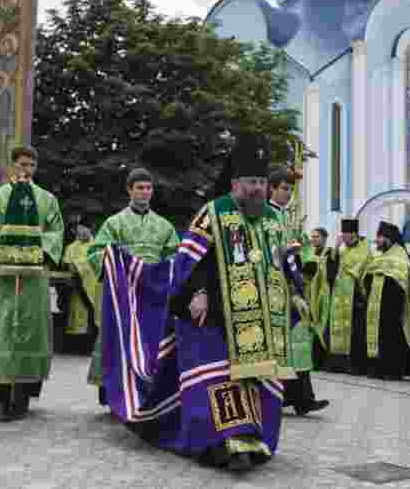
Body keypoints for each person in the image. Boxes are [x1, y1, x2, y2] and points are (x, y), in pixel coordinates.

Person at [98, 133, 303, 472]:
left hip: (261, 320)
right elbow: (190, 261)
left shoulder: (273, 218)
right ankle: (222, 444)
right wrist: (197, 293)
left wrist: (296, 291)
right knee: (218, 380)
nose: (256, 188)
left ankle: (254, 439)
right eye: (250, 181)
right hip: (212, 317)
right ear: (235, 183)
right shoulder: (214, 212)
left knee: (255, 380)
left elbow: (286, 259)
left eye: (261, 182)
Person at [0, 145, 64, 422]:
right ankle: (0, 397)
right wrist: (2, 251)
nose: (26, 169)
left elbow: (56, 232)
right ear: (12, 166)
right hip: (1, 278)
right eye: (22, 164)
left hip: (34, 279)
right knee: (0, 334)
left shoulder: (47, 200)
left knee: (29, 333)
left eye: (31, 165)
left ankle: (22, 396)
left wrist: (38, 252)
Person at [86, 168, 179, 403]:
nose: (145, 192)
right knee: (118, 336)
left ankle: (148, 393)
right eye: (140, 188)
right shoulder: (114, 223)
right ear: (129, 190)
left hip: (152, 294)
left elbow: (175, 258)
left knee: (150, 340)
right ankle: (112, 392)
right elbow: (97, 252)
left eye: (148, 188)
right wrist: (116, 263)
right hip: (122, 292)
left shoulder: (164, 226)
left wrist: (162, 274)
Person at [267, 165, 328, 416]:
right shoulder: (266, 216)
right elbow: (269, 252)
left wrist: (303, 268)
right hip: (275, 285)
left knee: (300, 342)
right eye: (284, 188)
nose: (288, 193)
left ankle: (303, 398)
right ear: (272, 188)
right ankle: (283, 396)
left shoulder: (287, 217)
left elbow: (297, 251)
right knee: (282, 345)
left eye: (291, 189)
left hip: (293, 283)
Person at [309, 218, 371, 374]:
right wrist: (336, 249)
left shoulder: (364, 249)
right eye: (343, 234)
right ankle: (337, 364)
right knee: (335, 330)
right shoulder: (341, 250)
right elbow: (331, 269)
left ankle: (355, 366)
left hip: (355, 299)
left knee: (355, 333)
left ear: (355, 234)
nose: (345, 237)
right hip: (338, 296)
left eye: (348, 234)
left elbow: (362, 270)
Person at [360, 221, 410, 380]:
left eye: (379, 237)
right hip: (376, 306)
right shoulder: (383, 256)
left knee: (391, 337)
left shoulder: (399, 255)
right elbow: (369, 273)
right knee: (378, 336)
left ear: (388, 239)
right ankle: (378, 368)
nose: (377, 241)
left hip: (392, 307)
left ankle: (392, 370)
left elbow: (401, 280)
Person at [62, 225, 97, 352]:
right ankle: (76, 346)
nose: (82, 233)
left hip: (95, 287)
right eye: (79, 230)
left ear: (90, 229)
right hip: (77, 286)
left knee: (94, 314)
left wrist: (79, 265)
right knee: (76, 314)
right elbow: (70, 266)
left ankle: (91, 345)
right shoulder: (71, 247)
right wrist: (80, 266)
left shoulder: (97, 246)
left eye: (85, 229)